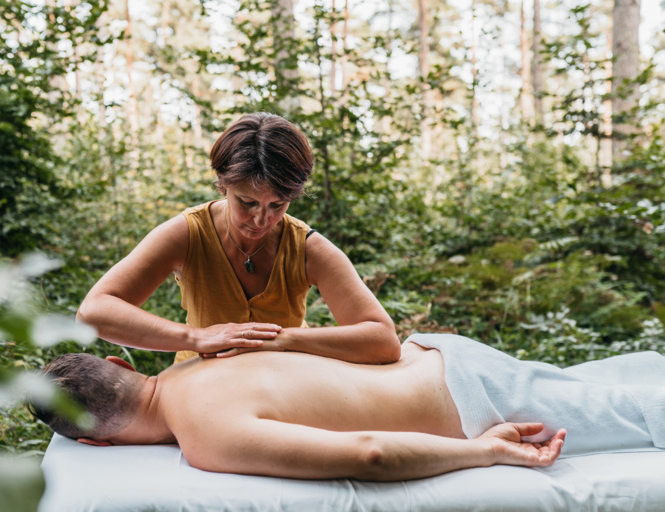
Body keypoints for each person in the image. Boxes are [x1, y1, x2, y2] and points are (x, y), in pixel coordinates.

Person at [33, 333, 665, 482]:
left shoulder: (206, 437)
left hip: (472, 400)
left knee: (645, 417)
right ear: (120, 364)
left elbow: (369, 453)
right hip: (437, 355)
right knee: (623, 395)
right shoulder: (199, 356)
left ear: (95, 443)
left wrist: (487, 449)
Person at [76, 113, 400, 365]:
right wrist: (197, 338)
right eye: (247, 203)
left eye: (277, 205)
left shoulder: (307, 248)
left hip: (287, 390)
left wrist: (285, 339)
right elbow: (94, 312)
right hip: (198, 387)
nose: (262, 220)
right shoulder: (187, 234)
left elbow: (383, 340)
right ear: (223, 185)